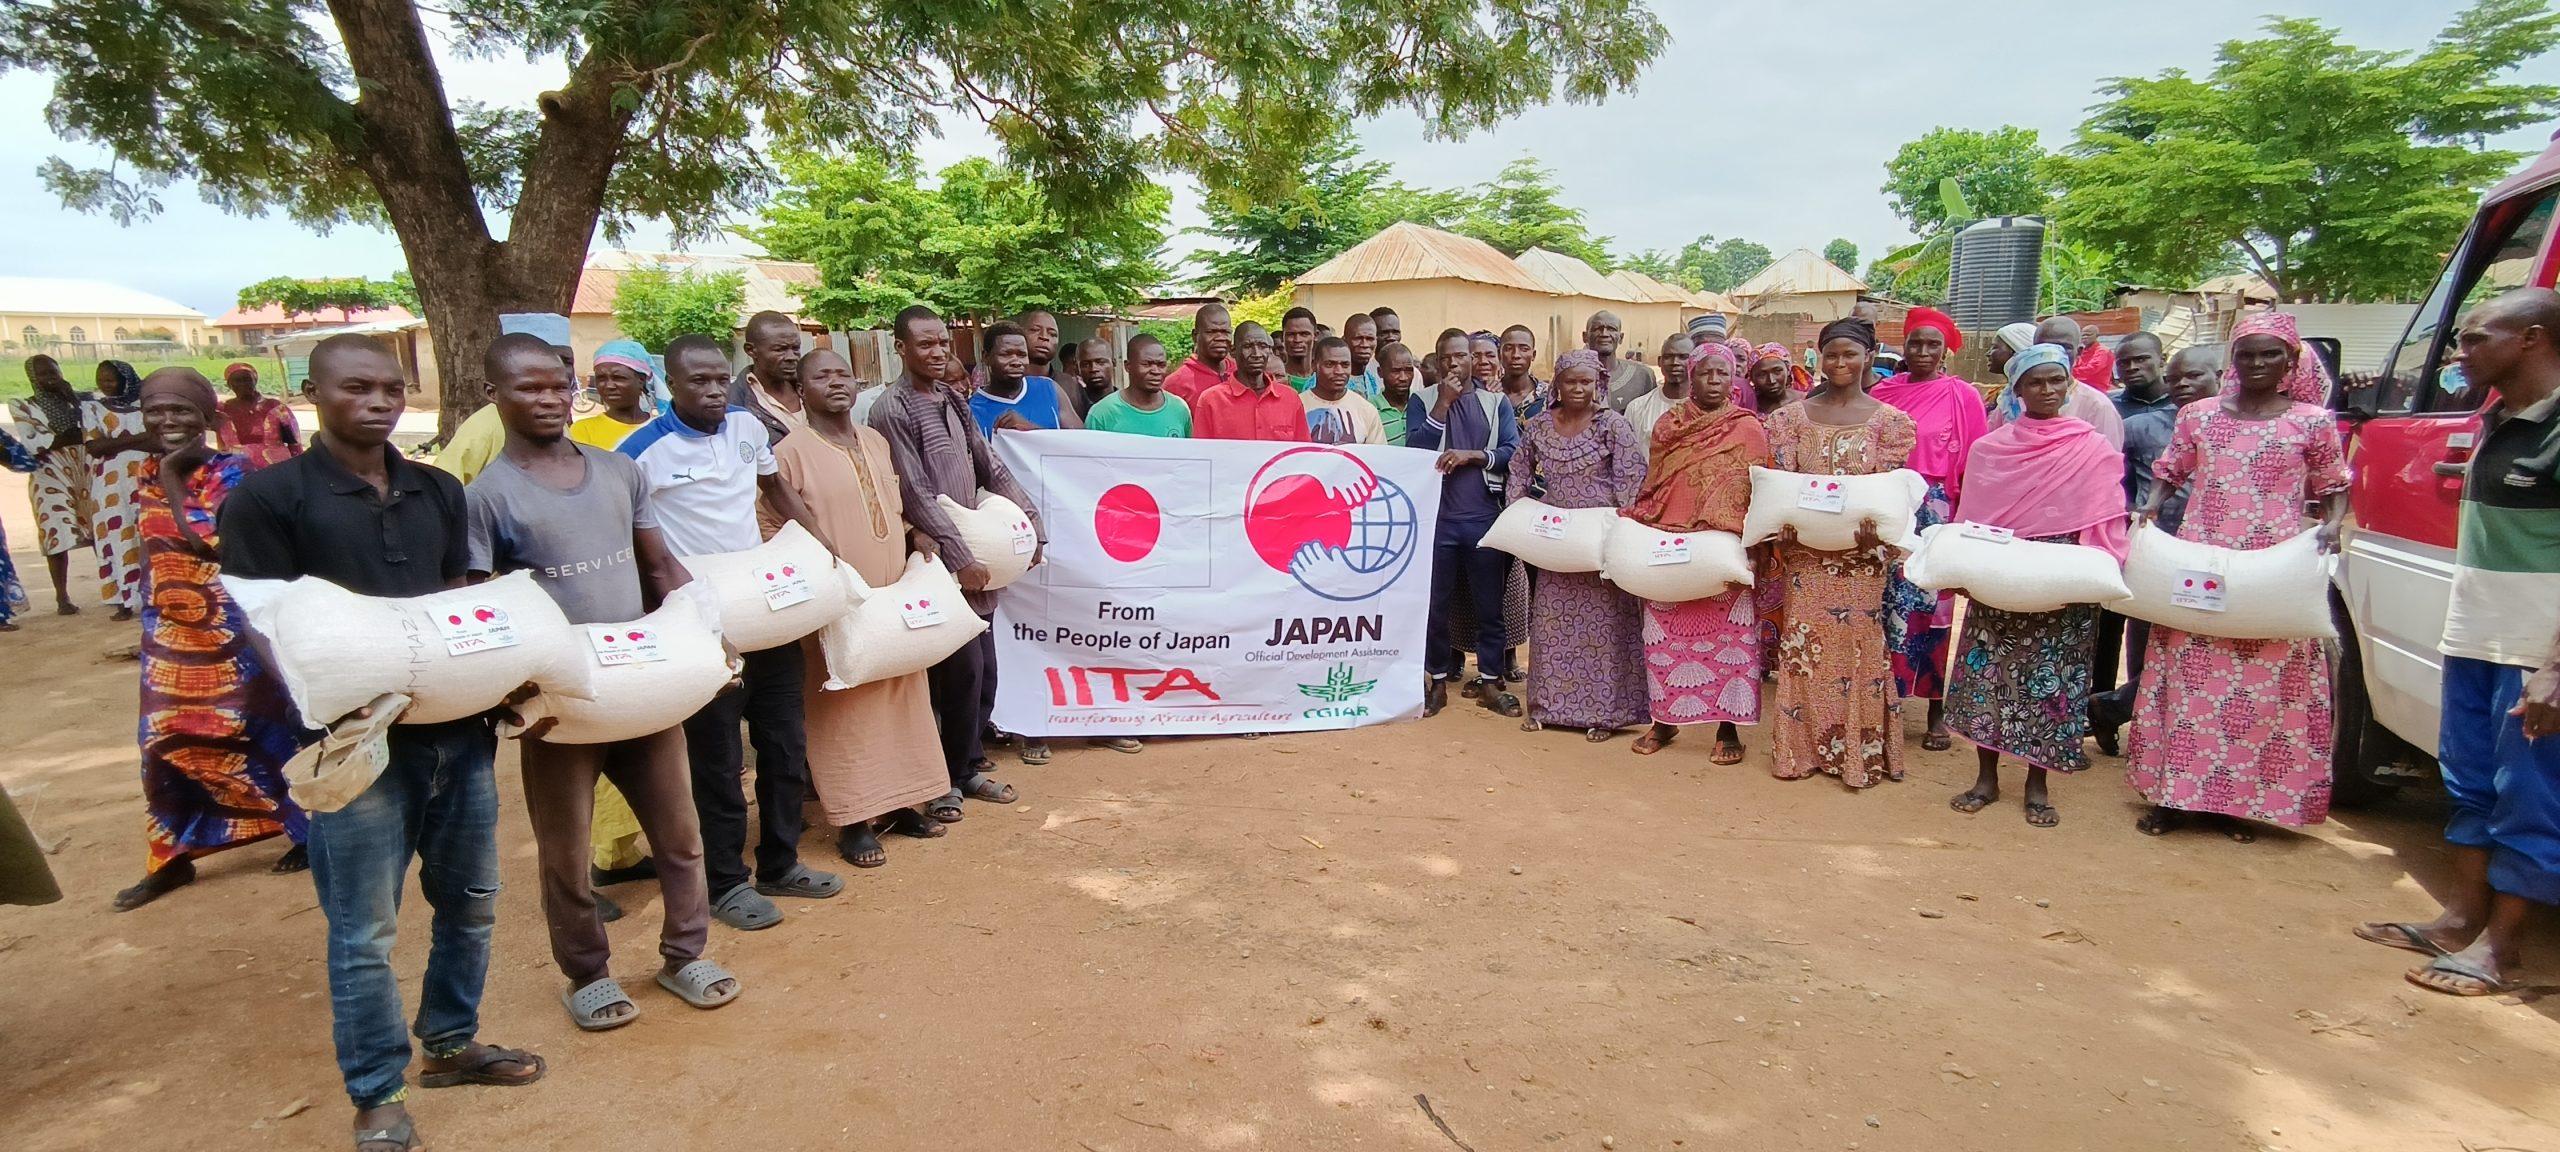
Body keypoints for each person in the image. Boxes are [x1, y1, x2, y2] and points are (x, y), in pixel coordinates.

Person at [219, 333, 545, 1152]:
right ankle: (376, 1093)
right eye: (357, 387)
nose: (378, 402)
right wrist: (331, 708)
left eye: (391, 389)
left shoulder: (437, 489)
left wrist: (491, 679)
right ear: (313, 392)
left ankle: (451, 1043)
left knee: (471, 902)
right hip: (357, 748)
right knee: (364, 930)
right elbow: (261, 625)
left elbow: (453, 597)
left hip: (456, 737)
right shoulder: (269, 499)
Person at [465, 333, 734, 1028]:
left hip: (642, 684)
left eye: (558, 385)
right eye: (528, 388)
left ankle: (685, 954)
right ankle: (586, 972)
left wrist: (708, 634)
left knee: (679, 833)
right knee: (565, 849)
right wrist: (512, 690)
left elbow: (660, 567)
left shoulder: (618, 472)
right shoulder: (487, 497)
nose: (548, 399)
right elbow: (481, 604)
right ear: (493, 394)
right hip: (562, 702)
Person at [2353, 288, 2560, 997]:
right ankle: (2459, 921)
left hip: (2534, 654)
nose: (2459, 351)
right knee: (2469, 783)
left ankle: (2502, 949)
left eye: (2476, 337)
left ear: (2532, 338)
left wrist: (2554, 669)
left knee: (2530, 797)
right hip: (2474, 639)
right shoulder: (2494, 420)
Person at [620, 334, 843, 931]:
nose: (715, 390)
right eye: (699, 381)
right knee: (717, 759)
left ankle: (781, 863)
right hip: (701, 623)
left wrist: (818, 542)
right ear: (668, 384)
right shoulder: (640, 451)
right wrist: (665, 608)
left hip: (765, 612)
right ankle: (724, 883)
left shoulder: (747, 427)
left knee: (784, 743)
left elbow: (775, 487)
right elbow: (629, 538)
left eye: (721, 378)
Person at [2125, 312, 2351, 842]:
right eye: (2246, 354)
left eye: (2270, 354)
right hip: (2202, 561)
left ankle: (2233, 803)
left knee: (2258, 685)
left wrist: (2334, 522)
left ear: (2290, 362)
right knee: (2187, 677)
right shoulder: (2199, 416)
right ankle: (2171, 796)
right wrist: (2151, 506)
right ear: (2233, 361)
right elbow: (2171, 470)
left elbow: (2333, 483)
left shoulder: (2311, 421)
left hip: (2272, 568)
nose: (2257, 363)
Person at [107, 368, 310, 909]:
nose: (167, 420)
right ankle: (171, 856)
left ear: (205, 417)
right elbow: (152, 548)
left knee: (253, 730)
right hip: (169, 630)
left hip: (232, 630)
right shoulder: (147, 472)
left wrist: (175, 475)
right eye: (155, 411)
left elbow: (211, 542)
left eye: (180, 410)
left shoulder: (232, 471)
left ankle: (304, 831)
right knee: (160, 740)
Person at [757, 348, 956, 869]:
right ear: (801, 390)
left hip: (891, 599)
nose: (836, 383)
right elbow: (769, 524)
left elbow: (891, 505)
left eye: (843, 373)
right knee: (843, 708)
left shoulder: (875, 440)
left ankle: (903, 804)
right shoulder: (788, 453)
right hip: (836, 606)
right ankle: (854, 820)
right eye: (822, 376)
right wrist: (817, 574)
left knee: (902, 698)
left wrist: (914, 532)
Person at [1940, 345, 2131, 828]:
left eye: (2055, 380)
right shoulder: (1991, 449)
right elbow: (1973, 519)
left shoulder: (2091, 448)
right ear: (2017, 389)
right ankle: (1986, 778)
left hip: (2062, 582)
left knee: (2052, 682)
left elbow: (2106, 516)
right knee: (1988, 676)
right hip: (2000, 579)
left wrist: (2093, 568)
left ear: (2069, 385)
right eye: (2035, 382)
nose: (2047, 390)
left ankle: (2037, 784)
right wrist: (1967, 572)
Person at [869, 305, 1034, 819]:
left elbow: (990, 467)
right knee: (954, 675)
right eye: (925, 344)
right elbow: (914, 492)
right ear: (900, 349)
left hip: (977, 558)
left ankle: (966, 766)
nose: (938, 352)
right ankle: (942, 780)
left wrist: (1032, 525)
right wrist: (961, 557)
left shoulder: (952, 399)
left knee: (983, 674)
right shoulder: (891, 409)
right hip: (937, 560)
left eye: (943, 342)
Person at [1764, 317, 1917, 789]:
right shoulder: (1789, 420)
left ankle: (1857, 753)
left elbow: (1891, 494)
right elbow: (1782, 487)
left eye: (1850, 353)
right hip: (1806, 558)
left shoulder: (1891, 424)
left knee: (1857, 647)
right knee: (1804, 646)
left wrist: (1878, 537)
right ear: (1819, 358)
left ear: (1868, 356)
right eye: (1831, 354)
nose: (1840, 362)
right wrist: (1782, 531)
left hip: (1861, 561)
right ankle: (1801, 751)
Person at [1627, 341, 1772, 763]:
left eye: (1722, 373)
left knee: (1730, 642)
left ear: (1733, 379)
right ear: (1692, 375)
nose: (1713, 380)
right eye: (1706, 372)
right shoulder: (1669, 425)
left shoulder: (1748, 427)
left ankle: (1728, 729)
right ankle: (1664, 721)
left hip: (1725, 551)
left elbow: (1758, 491)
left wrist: (1753, 546)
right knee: (1664, 638)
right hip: (1671, 544)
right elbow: (1655, 483)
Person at [1505, 348, 1652, 741]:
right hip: (1556, 541)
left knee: (1605, 626)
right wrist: (1519, 514)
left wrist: (1623, 529)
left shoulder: (1612, 425)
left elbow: (1631, 479)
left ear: (1598, 383)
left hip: (1600, 541)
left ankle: (1605, 715)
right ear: (1557, 383)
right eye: (1570, 381)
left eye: (1586, 381)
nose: (1578, 388)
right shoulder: (1539, 426)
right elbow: (1519, 470)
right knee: (1551, 622)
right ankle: (1546, 707)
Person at [1869, 306, 1986, 751]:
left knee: (1933, 606)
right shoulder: (1883, 393)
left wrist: (1965, 522)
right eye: (1914, 342)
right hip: (1889, 505)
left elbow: (1974, 463)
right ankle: (1884, 704)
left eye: (1932, 344)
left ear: (1945, 351)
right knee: (1885, 605)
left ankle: (1936, 708)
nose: (1922, 351)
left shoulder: (1963, 396)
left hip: (1936, 510)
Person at [1412, 329, 1522, 717]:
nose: (1454, 363)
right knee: (1435, 606)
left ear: (1472, 360)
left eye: (1461, 356)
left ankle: (1490, 681)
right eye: (1446, 357)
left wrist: (1472, 455)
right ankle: (1437, 683)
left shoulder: (1495, 402)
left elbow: (1511, 451)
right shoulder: (1423, 399)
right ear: (1437, 360)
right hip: (1437, 520)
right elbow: (1415, 450)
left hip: (1483, 518)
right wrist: (1443, 403)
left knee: (1489, 607)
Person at [2085, 332, 2171, 751]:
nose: (2133, 367)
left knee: (2158, 633)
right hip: (2120, 533)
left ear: (2161, 360)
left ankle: (2122, 709)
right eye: (2125, 361)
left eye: (2142, 359)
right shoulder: (2111, 410)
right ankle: (2100, 711)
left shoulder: (2186, 412)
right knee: (2109, 629)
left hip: (2176, 541)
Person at [11, 355, 95, 615]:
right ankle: (62, 597)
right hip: (49, 476)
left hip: (86, 470)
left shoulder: (84, 399)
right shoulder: (23, 405)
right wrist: (74, 433)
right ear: (32, 378)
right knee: (55, 532)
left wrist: (74, 401)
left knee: (99, 531)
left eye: (53, 371)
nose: (50, 377)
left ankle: (115, 588)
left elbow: (94, 429)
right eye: (43, 374)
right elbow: (37, 443)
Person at [84, 359, 155, 619]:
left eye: (110, 379)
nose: (105, 384)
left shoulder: (147, 406)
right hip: (110, 488)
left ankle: (152, 596)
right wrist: (139, 439)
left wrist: (116, 442)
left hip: (147, 479)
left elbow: (158, 441)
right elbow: (94, 447)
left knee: (150, 535)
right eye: (100, 379)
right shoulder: (92, 408)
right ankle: (123, 600)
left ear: (126, 380)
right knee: (117, 537)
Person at [1991, 317, 2126, 447]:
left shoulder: (2097, 406)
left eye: (2064, 347)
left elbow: (2105, 458)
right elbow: (1993, 448)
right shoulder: (2012, 401)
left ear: (2079, 351)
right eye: (2045, 346)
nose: (2055, 352)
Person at [1192, 322, 1307, 442]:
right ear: (1233, 351)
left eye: (1263, 346)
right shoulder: (1211, 400)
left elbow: (1302, 450)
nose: (1257, 354)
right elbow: (1202, 451)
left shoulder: (1291, 398)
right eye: (1248, 346)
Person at [968, 322, 1085, 436]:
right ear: (986, 357)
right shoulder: (971, 410)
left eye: (1022, 355)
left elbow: (1081, 441)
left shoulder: (1049, 389)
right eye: (1006, 354)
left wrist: (1031, 430)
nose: (1016, 362)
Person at [1085, 335, 1192, 437]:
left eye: (1161, 365)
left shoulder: (1179, 409)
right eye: (1146, 364)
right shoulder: (1102, 413)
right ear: (1128, 366)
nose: (1155, 371)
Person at [568, 339, 659, 451]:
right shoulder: (583, 431)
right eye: (601, 378)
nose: (609, 386)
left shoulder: (661, 430)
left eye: (618, 378)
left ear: (641, 380)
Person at [214, 361, 302, 470]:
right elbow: (221, 445)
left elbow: (294, 443)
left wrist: (299, 469)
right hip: (237, 471)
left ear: (255, 380)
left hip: (276, 470)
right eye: (237, 380)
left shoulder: (276, 408)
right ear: (229, 384)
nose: (243, 384)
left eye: (247, 379)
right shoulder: (221, 410)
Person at [1301, 336, 1387, 445]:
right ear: (1314, 365)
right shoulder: (1297, 406)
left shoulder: (1366, 410)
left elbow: (1376, 454)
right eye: (1330, 364)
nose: (1339, 371)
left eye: (1345, 365)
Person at [737, 311, 805, 441]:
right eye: (780, 349)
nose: (792, 357)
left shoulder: (812, 390)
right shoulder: (734, 404)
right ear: (750, 350)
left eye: (795, 348)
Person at [1623, 333, 1695, 455]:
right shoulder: (1637, 409)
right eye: (1668, 357)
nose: (1675, 362)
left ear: (1694, 361)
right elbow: (1627, 455)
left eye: (1683, 357)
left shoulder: (1705, 410)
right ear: (1660, 362)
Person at [1166, 304, 1236, 404]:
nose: (1220, 338)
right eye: (1211, 332)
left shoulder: (1242, 373)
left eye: (1226, 332)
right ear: (1195, 336)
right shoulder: (1176, 383)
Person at [1586, 311, 1654, 412]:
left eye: (1611, 329)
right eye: (1597, 329)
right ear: (1585, 336)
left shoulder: (1643, 375)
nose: (1604, 334)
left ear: (1621, 338)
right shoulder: (1570, 376)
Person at [1497, 325, 1548, 425]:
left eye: (1524, 349)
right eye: (1508, 348)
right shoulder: (1488, 395)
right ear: (1499, 354)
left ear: (1533, 355)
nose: (1516, 355)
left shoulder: (1550, 396)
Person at [1373, 342, 1417, 446]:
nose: (1403, 378)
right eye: (1396, 371)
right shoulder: (1370, 408)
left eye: (1409, 370)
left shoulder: (1421, 403)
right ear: (1380, 372)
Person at [1983, 323, 2037, 405]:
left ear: (2015, 351)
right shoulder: (2003, 394)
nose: (1988, 353)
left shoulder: (2026, 399)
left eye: (1994, 347)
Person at [1747, 342, 1808, 414]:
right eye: (1762, 375)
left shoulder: (1807, 401)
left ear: (1788, 371)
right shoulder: (1748, 406)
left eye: (1777, 371)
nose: (1771, 381)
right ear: (1752, 378)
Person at [1070, 337, 1118, 417]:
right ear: (1077, 368)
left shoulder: (1127, 403)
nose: (1093, 369)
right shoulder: (1070, 407)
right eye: (1086, 364)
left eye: (1101, 362)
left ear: (1113, 363)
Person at [1019, 308, 1070, 383]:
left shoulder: (1070, 384)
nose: (1044, 337)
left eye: (1052, 334)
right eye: (1035, 330)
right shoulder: (1004, 382)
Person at [1342, 312, 1385, 400]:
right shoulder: (1329, 379)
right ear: (1345, 340)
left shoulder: (1373, 380)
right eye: (1358, 338)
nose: (1364, 345)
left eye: (1370, 339)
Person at [1279, 307, 1320, 390]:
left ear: (1315, 335)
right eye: (1291, 334)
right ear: (1282, 337)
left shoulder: (1325, 379)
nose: (1297, 340)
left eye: (1304, 334)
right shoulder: (1275, 378)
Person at [2071, 323, 2115, 392]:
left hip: (2097, 389)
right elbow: (2077, 366)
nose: (2085, 337)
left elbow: (2091, 369)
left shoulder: (2102, 351)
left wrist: (2070, 372)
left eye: (2088, 335)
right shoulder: (2083, 351)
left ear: (2097, 335)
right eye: (2083, 335)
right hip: (2083, 387)